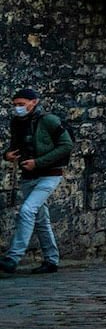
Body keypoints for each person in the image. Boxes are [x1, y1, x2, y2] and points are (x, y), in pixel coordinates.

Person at [2, 88, 71, 275]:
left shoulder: (49, 120)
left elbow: (66, 145)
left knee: (27, 210)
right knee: (41, 220)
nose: (17, 108)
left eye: (21, 105)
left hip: (49, 175)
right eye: (15, 105)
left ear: (34, 102)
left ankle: (13, 258)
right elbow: (15, 146)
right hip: (28, 176)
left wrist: (38, 162)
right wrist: (7, 154)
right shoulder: (17, 122)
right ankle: (51, 260)